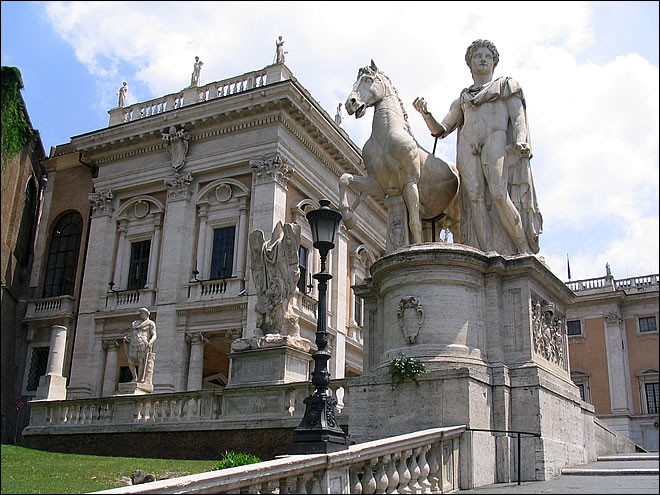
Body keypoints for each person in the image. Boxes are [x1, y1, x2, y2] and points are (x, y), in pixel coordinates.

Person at [413, 39, 542, 255]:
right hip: (468, 146)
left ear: (494, 62)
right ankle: (487, 252)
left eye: (488, 56)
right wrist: (426, 114)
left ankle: (522, 249)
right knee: (474, 200)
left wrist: (521, 140)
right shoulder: (463, 98)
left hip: (495, 140)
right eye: (477, 56)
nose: (483, 59)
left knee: (499, 194)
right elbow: (441, 130)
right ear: (469, 63)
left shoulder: (506, 86)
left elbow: (518, 117)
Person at [123, 307, 157, 382]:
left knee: (141, 361)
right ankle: (134, 378)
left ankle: (140, 379)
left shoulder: (150, 323)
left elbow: (154, 334)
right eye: (140, 313)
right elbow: (132, 332)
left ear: (147, 314)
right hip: (133, 342)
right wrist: (128, 338)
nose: (140, 315)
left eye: (142, 313)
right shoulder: (135, 323)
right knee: (130, 361)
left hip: (143, 343)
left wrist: (151, 341)